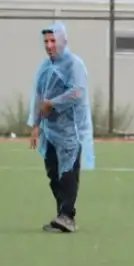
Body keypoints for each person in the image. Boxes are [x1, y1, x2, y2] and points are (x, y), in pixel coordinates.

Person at [27, 22, 95, 233]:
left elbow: (77, 92)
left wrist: (53, 103)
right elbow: (38, 96)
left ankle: (67, 216)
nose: (49, 45)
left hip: (70, 131)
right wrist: (36, 124)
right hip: (50, 132)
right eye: (46, 41)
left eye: (53, 40)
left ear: (63, 40)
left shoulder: (74, 64)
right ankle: (61, 214)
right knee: (53, 173)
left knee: (68, 173)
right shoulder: (45, 68)